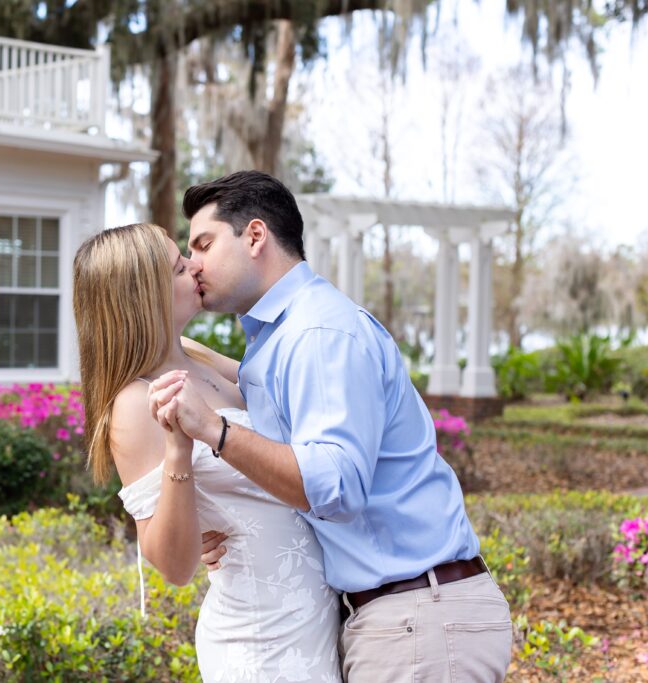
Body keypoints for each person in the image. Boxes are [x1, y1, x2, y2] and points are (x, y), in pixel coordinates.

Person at [146, 171, 513, 682]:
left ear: (254, 236)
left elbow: (335, 486)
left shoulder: (318, 333)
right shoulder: (282, 338)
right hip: (395, 616)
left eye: (203, 244)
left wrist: (215, 432)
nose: (194, 264)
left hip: (419, 616)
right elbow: (260, 397)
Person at [72, 223, 342, 682]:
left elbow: (286, 403)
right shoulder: (136, 404)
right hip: (261, 638)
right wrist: (180, 450)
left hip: (317, 617)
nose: (196, 266)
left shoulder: (198, 356)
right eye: (179, 267)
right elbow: (173, 566)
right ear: (143, 298)